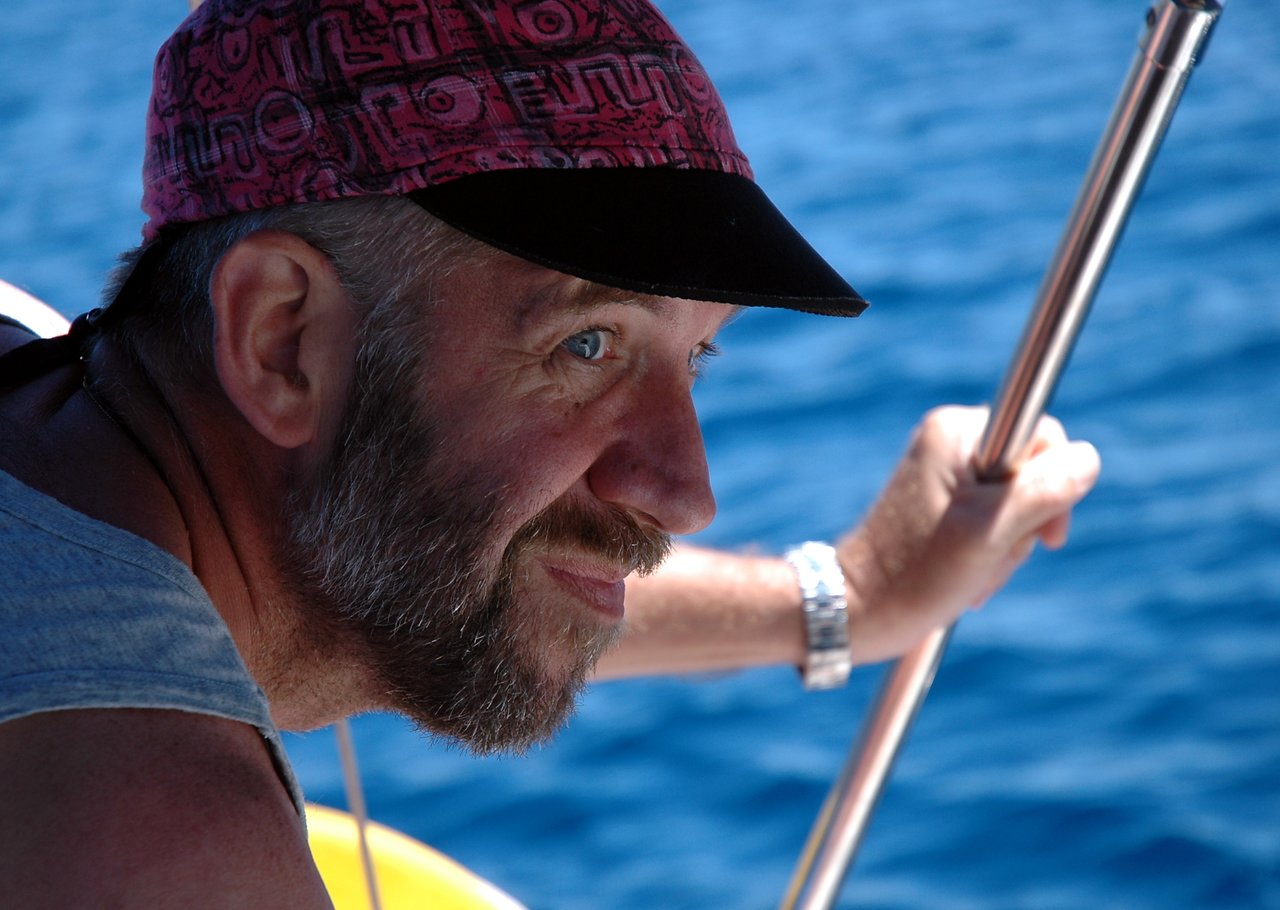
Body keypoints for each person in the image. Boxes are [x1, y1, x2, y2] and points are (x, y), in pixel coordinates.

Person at [0, 0, 1099, 905]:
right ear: (280, 337)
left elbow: (450, 554)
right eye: (587, 342)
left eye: (696, 361)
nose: (686, 493)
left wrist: (846, 597)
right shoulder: (151, 846)